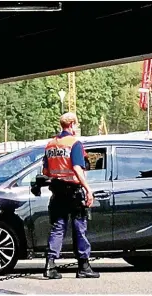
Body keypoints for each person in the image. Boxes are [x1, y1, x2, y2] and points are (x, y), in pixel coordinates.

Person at [41, 112, 99, 279]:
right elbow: (77, 168)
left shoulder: (51, 144)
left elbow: (45, 171)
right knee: (79, 228)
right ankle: (83, 266)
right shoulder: (75, 144)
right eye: (77, 125)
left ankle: (50, 265)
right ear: (72, 125)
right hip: (73, 192)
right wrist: (88, 189)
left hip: (57, 191)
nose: (77, 128)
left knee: (58, 227)